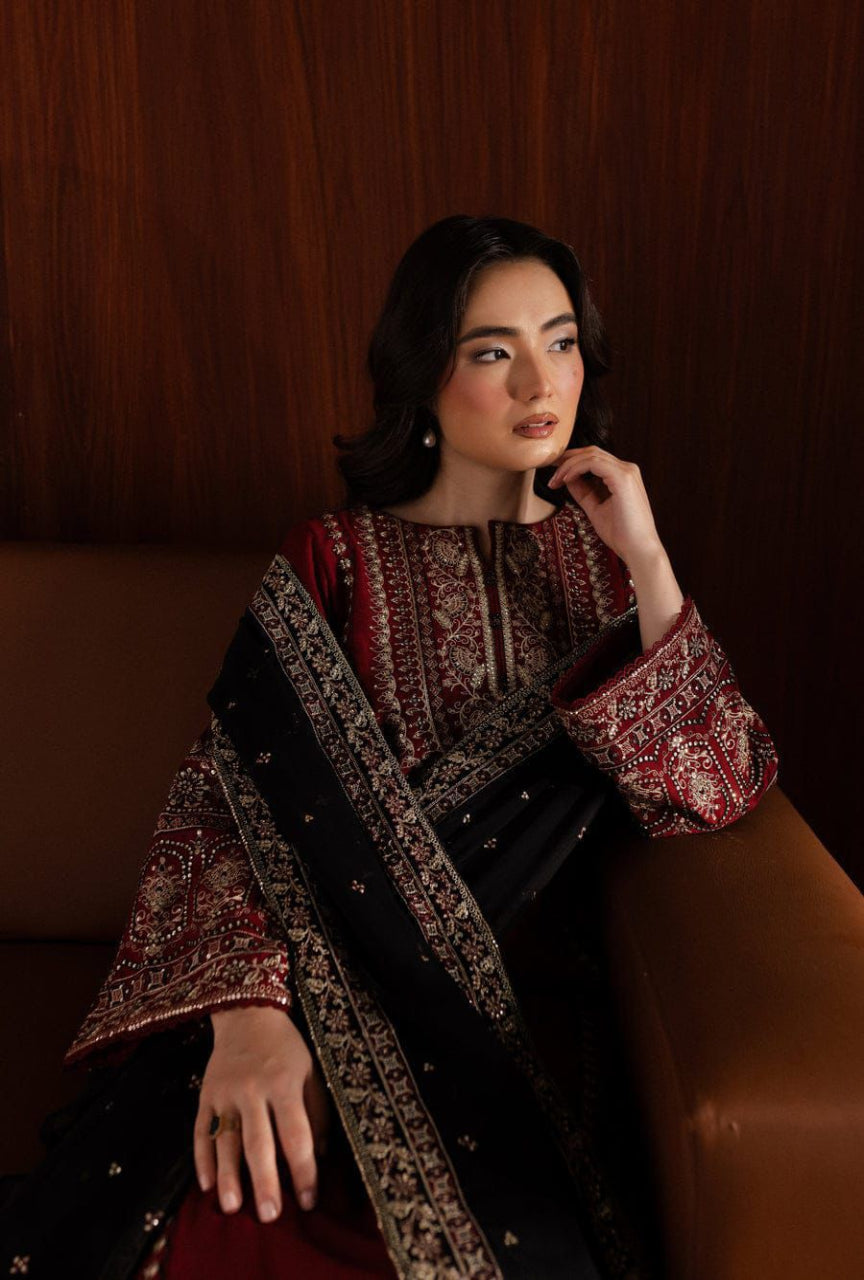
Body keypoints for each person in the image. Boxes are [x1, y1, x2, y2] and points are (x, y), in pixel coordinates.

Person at [0, 215, 779, 1280]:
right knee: (224, 1216)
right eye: (491, 352)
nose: (537, 381)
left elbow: (718, 786)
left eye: (559, 341)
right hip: (308, 999)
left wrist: (646, 554)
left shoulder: (607, 580)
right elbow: (223, 801)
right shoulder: (335, 556)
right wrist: (247, 1015)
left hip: (498, 1029)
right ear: (424, 376)